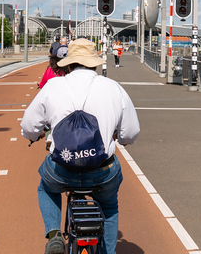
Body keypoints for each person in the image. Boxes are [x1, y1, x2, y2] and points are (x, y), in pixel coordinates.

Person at [21, 38, 140, 254]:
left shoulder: (53, 86)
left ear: (69, 62)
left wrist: (34, 134)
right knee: (109, 206)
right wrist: (119, 138)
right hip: (102, 172)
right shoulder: (113, 88)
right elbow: (130, 133)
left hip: (62, 171)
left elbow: (29, 126)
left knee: (46, 188)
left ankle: (54, 233)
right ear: (94, 63)